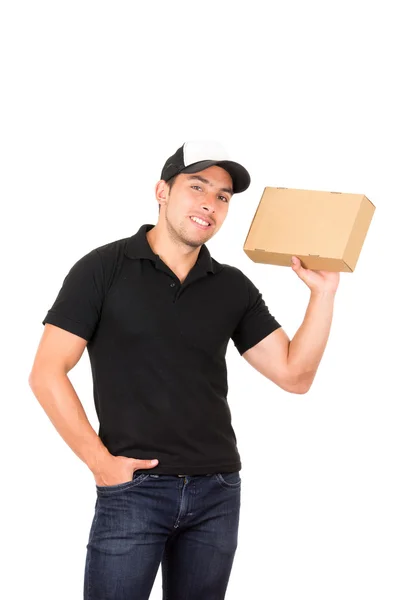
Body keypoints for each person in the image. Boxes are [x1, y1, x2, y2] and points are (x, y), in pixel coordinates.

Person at [28, 140, 340, 600]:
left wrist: (323, 293)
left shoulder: (231, 286)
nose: (210, 205)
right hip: (134, 488)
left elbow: (296, 376)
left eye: (223, 197)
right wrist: (100, 463)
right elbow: (47, 371)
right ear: (162, 191)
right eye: (197, 187)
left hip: (217, 490)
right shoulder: (102, 269)